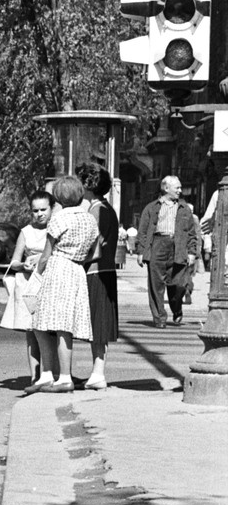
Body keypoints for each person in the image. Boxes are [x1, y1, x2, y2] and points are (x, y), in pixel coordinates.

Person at [29, 175, 99, 394]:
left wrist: (37, 274)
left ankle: (53, 374)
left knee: (41, 322)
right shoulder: (89, 220)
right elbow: (95, 252)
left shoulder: (58, 219)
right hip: (77, 270)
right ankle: (60, 375)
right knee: (65, 326)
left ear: (58, 197)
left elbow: (46, 255)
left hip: (58, 269)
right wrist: (78, 260)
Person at [0, 190, 52, 383]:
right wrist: (23, 265)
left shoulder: (55, 228)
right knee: (31, 333)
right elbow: (13, 262)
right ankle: (34, 376)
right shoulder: (26, 231)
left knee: (51, 330)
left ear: (51, 208)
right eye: (35, 210)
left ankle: (53, 373)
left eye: (43, 209)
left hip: (49, 282)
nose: (39, 214)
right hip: (29, 284)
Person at [135, 175, 202, 328]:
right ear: (166, 188)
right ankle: (159, 318)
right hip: (157, 246)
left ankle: (176, 307)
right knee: (156, 285)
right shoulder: (151, 208)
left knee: (179, 284)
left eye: (180, 187)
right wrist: (140, 252)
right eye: (177, 187)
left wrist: (192, 252)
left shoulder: (184, 208)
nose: (180, 190)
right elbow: (143, 232)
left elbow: (192, 233)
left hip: (178, 247)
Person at [78, 161, 120, 391]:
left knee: (98, 324)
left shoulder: (97, 210)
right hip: (103, 270)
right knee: (98, 324)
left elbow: (92, 244)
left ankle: (98, 372)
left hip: (97, 271)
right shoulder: (104, 208)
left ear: (88, 184)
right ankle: (97, 371)